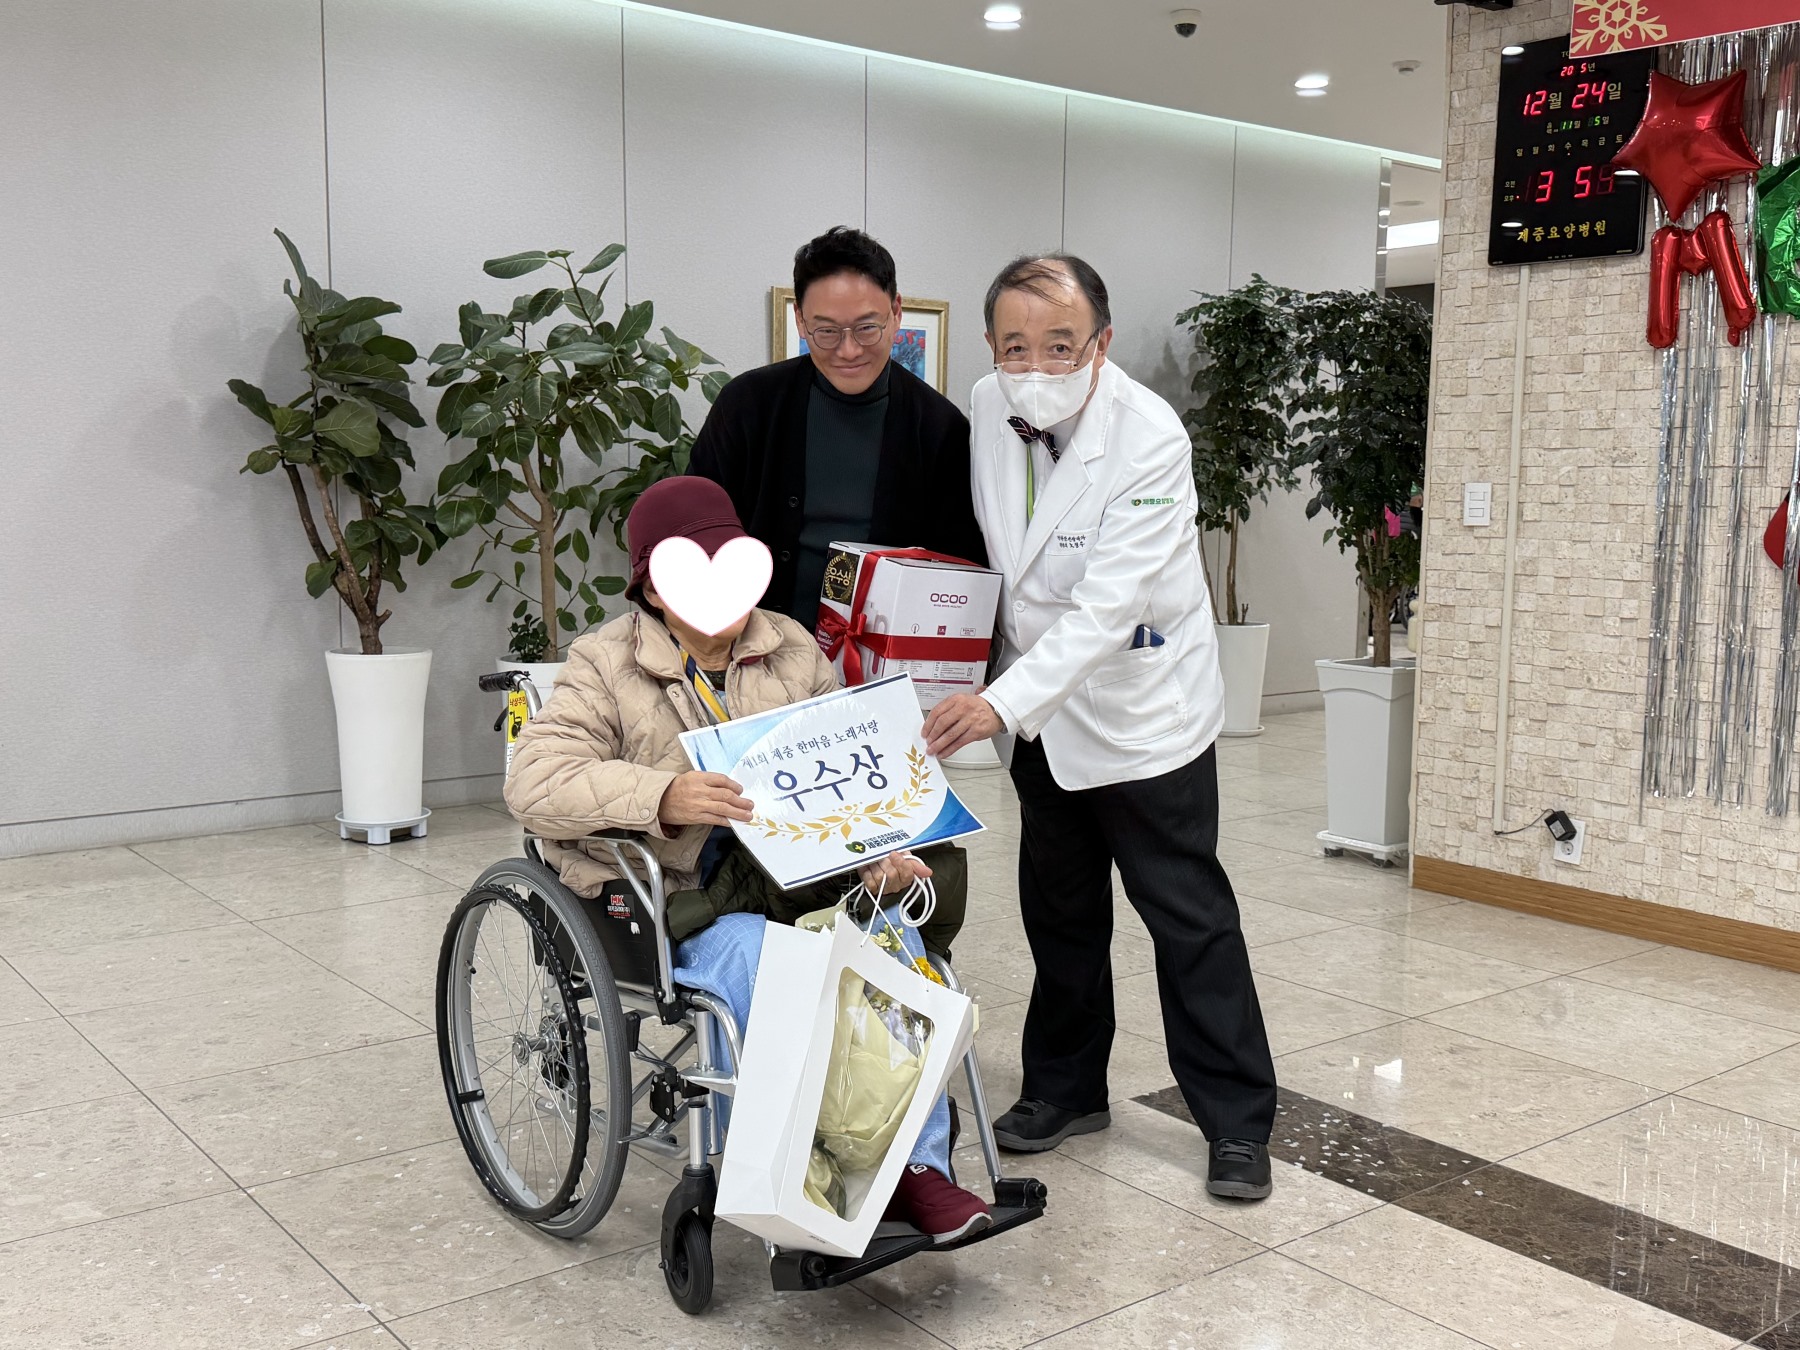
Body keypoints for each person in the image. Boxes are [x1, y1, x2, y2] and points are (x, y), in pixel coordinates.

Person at [504, 476, 990, 1241]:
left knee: (893, 944)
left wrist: (879, 850)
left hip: (793, 879)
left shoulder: (790, 648)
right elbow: (534, 781)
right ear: (652, 588)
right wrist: (662, 794)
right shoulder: (605, 663)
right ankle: (806, 1180)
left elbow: (843, 772)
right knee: (767, 963)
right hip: (678, 896)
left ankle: (916, 1170)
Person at [922, 254, 1279, 1201]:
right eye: (1015, 347)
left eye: (1060, 346)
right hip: (1042, 718)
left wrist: (1001, 702)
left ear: (1102, 343)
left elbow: (1107, 608)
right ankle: (1066, 1088)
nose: (1035, 366)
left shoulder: (1150, 437)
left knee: (1187, 917)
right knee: (1060, 908)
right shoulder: (988, 408)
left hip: (1140, 711)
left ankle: (1238, 1123)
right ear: (991, 348)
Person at [688, 226, 986, 630]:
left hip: (881, 654)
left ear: (896, 312)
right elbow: (696, 528)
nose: (848, 351)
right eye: (826, 331)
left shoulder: (940, 429)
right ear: (800, 320)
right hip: (754, 645)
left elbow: (959, 573)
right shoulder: (748, 405)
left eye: (867, 328)